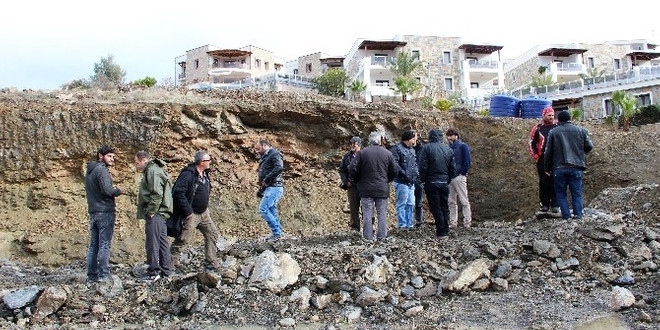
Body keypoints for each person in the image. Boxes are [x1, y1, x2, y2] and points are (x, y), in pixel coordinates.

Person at [171, 150, 222, 271]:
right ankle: (170, 264)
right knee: (183, 239)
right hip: (191, 213)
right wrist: (188, 211)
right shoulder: (188, 174)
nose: (210, 162)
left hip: (204, 212)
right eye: (208, 160)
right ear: (201, 162)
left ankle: (211, 261)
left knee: (212, 233)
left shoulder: (204, 174)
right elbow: (178, 193)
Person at [544, 110, 594, 220]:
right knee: (576, 193)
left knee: (561, 193)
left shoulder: (553, 132)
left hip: (559, 167)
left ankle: (566, 217)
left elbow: (548, 152)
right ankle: (578, 215)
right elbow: (589, 147)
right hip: (576, 166)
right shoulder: (581, 130)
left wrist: (547, 168)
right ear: (570, 118)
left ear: (559, 120)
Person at [348, 131, 398, 241]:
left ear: (369, 141)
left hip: (365, 188)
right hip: (382, 188)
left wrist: (357, 179)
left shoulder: (362, 153)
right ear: (379, 141)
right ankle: (382, 237)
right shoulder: (387, 153)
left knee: (367, 213)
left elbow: (352, 168)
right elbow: (395, 170)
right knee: (382, 214)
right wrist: (387, 179)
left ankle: (368, 237)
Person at [85, 145, 122, 284]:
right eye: (109, 156)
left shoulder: (90, 170)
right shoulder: (102, 170)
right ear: (100, 156)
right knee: (104, 244)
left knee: (93, 245)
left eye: (113, 157)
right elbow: (107, 190)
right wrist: (118, 190)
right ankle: (104, 275)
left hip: (93, 211)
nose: (112, 159)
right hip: (105, 211)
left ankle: (91, 276)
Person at [135, 151, 175, 280]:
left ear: (143, 160)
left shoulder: (152, 171)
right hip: (161, 213)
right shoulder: (156, 170)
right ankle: (167, 271)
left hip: (156, 213)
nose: (136, 166)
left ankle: (154, 272)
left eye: (136, 163)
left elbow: (157, 193)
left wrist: (152, 210)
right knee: (162, 242)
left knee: (152, 243)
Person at [419, 129, 457, 240]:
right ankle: (446, 230)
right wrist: (448, 179)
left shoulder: (427, 148)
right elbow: (452, 168)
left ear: (430, 137)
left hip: (431, 182)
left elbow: (423, 167)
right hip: (444, 182)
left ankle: (441, 232)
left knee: (436, 208)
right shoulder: (448, 149)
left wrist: (423, 179)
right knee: (444, 207)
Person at [528, 107, 560, 214]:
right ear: (544, 116)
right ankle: (544, 204)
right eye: (549, 115)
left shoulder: (557, 127)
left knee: (555, 181)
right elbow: (531, 143)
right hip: (542, 159)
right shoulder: (538, 128)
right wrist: (536, 156)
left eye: (552, 115)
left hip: (555, 159)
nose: (551, 117)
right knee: (544, 182)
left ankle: (555, 204)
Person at [255, 140, 285, 242]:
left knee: (263, 209)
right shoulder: (266, 156)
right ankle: (278, 233)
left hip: (274, 187)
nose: (257, 151)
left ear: (265, 146)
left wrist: (266, 180)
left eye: (258, 148)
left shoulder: (275, 154)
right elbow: (266, 174)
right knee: (272, 210)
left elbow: (279, 168)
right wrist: (261, 189)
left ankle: (277, 233)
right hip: (271, 187)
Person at [390, 130, 419, 229]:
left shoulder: (412, 150)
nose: (416, 140)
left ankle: (409, 224)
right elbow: (394, 164)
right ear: (409, 139)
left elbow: (414, 164)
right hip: (401, 181)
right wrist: (405, 175)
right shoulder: (396, 149)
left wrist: (416, 174)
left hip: (411, 182)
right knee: (402, 203)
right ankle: (402, 225)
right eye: (414, 138)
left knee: (410, 203)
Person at [446, 128, 472, 228]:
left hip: (459, 177)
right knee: (451, 201)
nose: (449, 138)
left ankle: (467, 221)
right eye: (448, 135)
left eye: (451, 135)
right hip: (450, 177)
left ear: (456, 136)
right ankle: (453, 222)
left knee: (464, 200)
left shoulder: (463, 146)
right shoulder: (448, 148)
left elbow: (467, 161)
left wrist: (462, 173)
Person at [339, 136, 362, 232]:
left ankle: (369, 225)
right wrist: (345, 181)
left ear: (359, 145)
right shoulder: (347, 157)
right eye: (351, 144)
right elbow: (342, 170)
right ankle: (354, 227)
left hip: (364, 185)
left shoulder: (365, 155)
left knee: (367, 206)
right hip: (352, 186)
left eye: (354, 144)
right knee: (353, 206)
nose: (352, 146)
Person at [413, 133, 425, 228]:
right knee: (407, 202)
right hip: (408, 179)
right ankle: (408, 222)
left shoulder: (422, 149)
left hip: (419, 179)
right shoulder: (404, 149)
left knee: (418, 202)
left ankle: (419, 221)